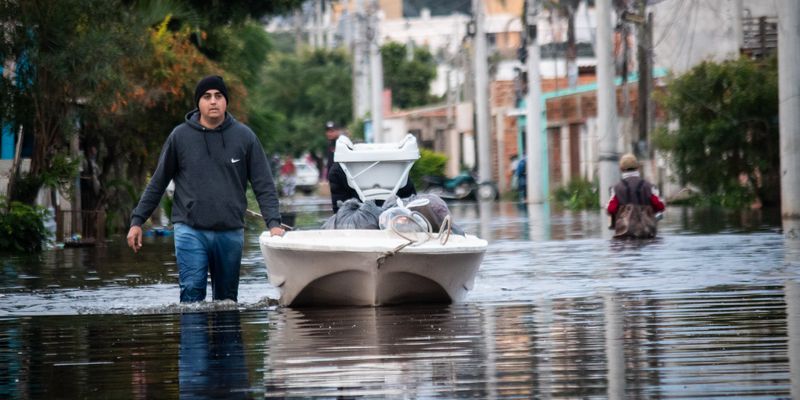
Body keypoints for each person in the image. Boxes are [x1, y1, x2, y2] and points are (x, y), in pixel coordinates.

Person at [127, 75, 284, 303]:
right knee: (191, 294)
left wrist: (274, 224)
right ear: (198, 103)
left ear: (226, 102)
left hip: (230, 231)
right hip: (190, 230)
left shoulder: (244, 137)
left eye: (218, 96)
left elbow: (264, 184)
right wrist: (137, 221)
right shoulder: (180, 137)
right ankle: (194, 338)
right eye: (207, 96)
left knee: (227, 300)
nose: (213, 102)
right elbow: (158, 182)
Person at [606, 153, 665, 238]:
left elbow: (611, 209)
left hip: (625, 234)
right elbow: (660, 207)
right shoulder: (649, 186)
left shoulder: (616, 188)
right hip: (647, 233)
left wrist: (606, 207)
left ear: (621, 169)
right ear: (638, 168)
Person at [327, 161, 417, 213]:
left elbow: (339, 208)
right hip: (394, 216)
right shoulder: (397, 165)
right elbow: (411, 201)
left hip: (357, 218)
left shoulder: (338, 169)